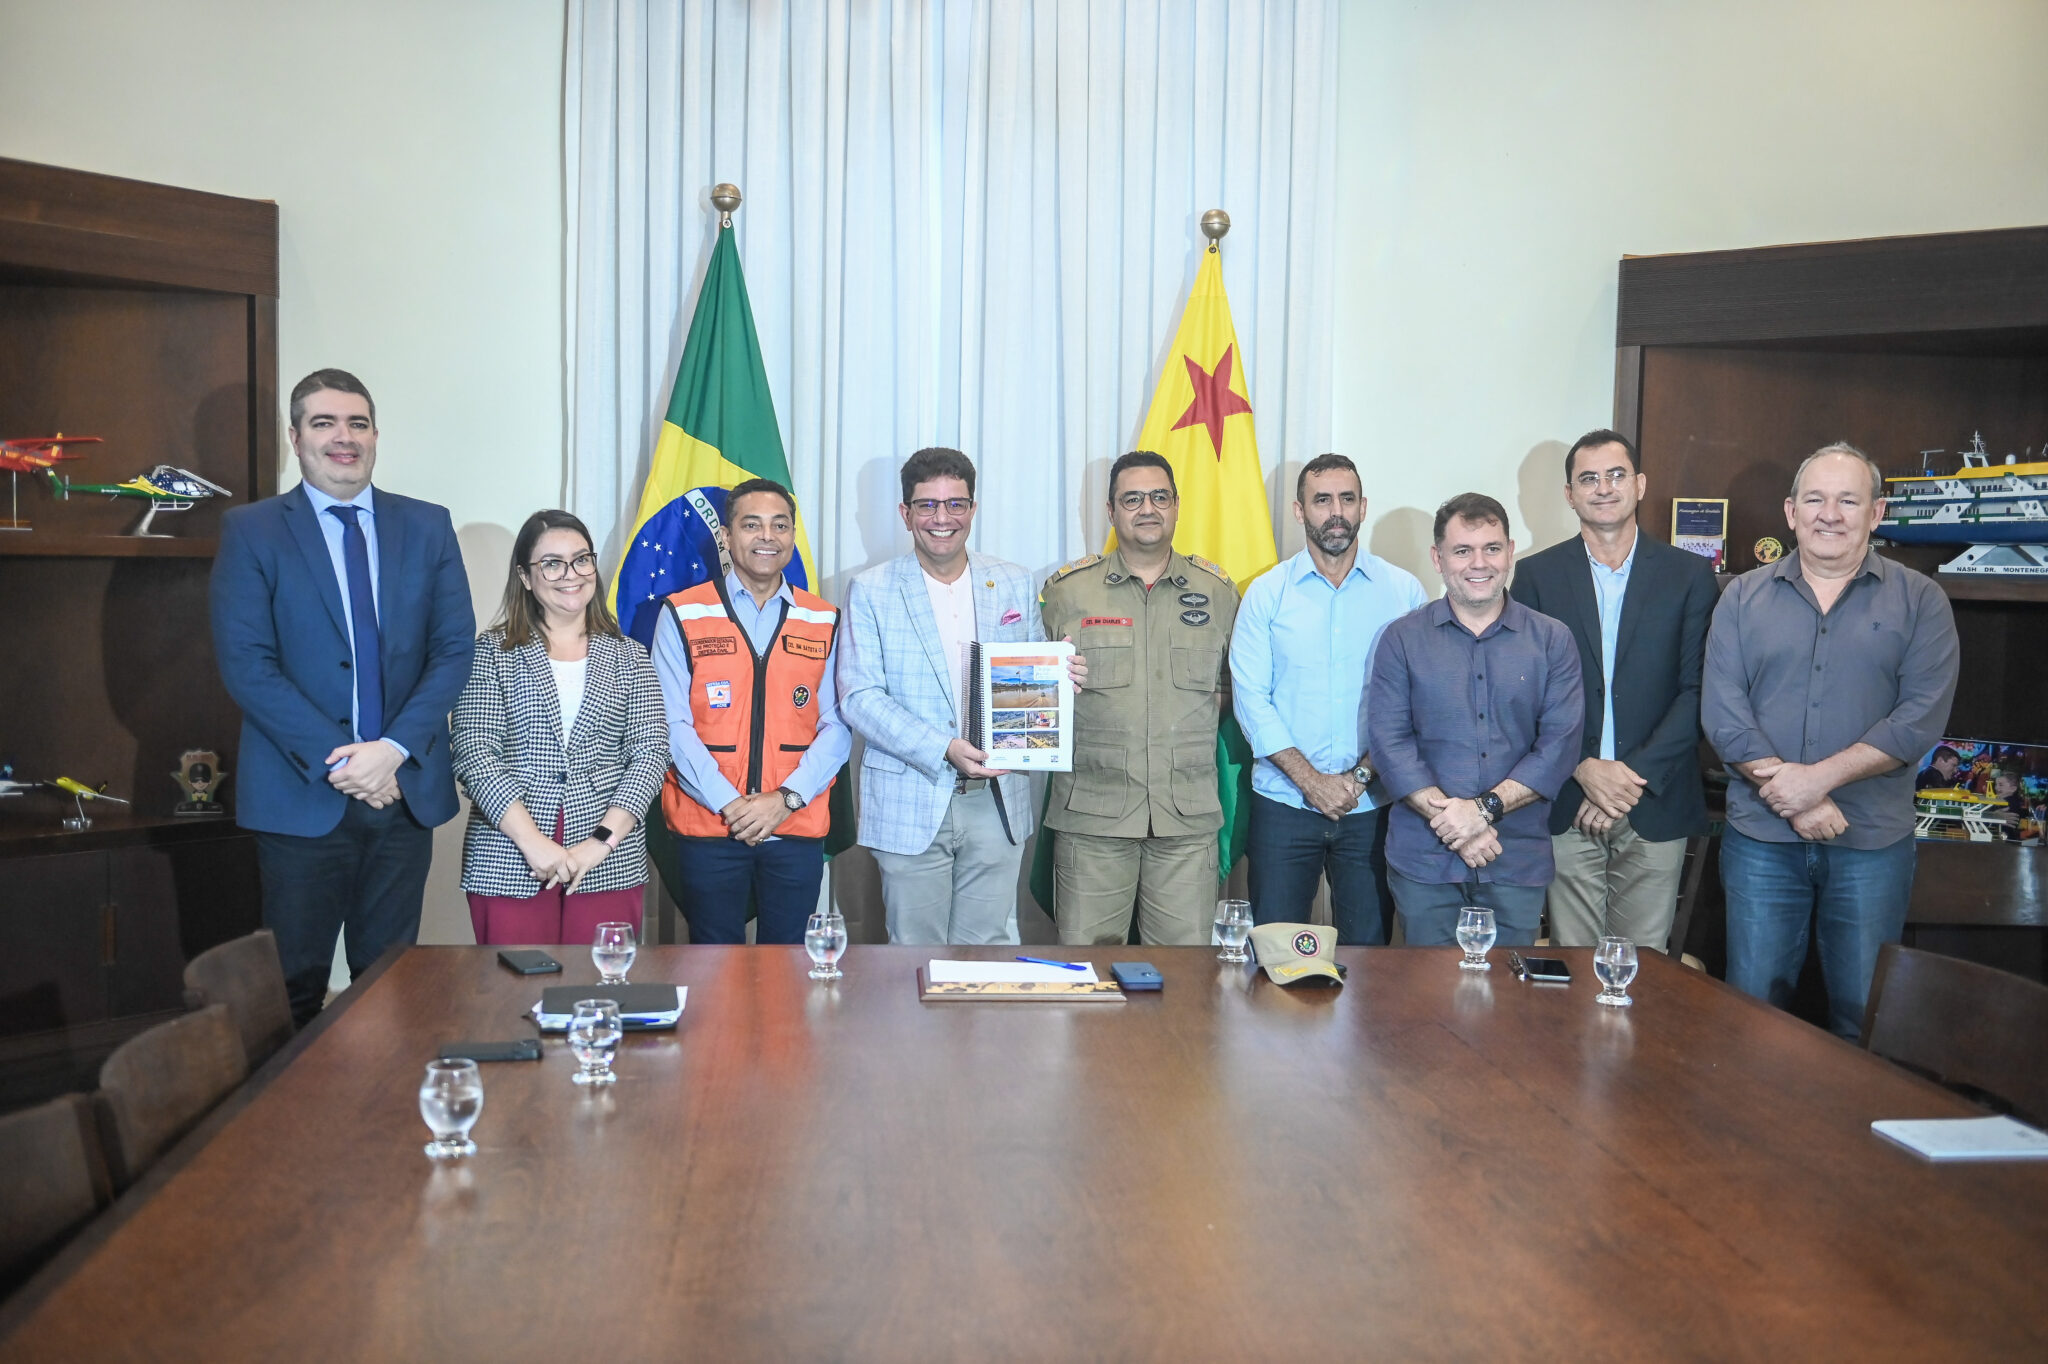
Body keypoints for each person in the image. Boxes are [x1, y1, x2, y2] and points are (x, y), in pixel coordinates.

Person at [209, 369, 474, 1025]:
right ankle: (283, 1129)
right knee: (292, 992)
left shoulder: (427, 525)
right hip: (301, 800)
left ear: (376, 435)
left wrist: (390, 751)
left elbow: (453, 650)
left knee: (391, 986)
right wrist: (347, 761)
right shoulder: (253, 531)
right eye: (324, 423)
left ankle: (382, 1125)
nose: (343, 437)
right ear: (295, 438)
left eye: (357, 423)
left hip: (403, 794)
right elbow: (247, 665)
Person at [1704, 443, 1959, 1040]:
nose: (1830, 514)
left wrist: (1817, 782)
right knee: (1753, 1012)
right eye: (1815, 499)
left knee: (1864, 1013)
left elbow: (1917, 720)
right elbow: (1723, 714)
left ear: (1877, 513)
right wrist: (1798, 796)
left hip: (1871, 842)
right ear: (1791, 512)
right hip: (1762, 839)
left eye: (1849, 500)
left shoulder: (1922, 603)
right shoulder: (1741, 597)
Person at [839, 448, 1086, 944]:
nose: (942, 518)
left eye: (955, 504)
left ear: (972, 509)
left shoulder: (1013, 581)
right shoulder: (871, 589)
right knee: (914, 956)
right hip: (911, 795)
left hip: (996, 798)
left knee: (989, 954)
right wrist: (942, 747)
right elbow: (860, 696)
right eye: (927, 505)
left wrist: (1059, 677)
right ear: (905, 513)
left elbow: (1029, 677)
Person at [1507, 429, 1719, 953]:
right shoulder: (1535, 576)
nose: (1603, 488)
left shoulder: (1690, 575)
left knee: (1642, 974)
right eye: (1589, 478)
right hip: (1568, 798)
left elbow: (1698, 691)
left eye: (1616, 475)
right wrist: (1583, 769)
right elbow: (1526, 695)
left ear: (1640, 484)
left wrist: (1627, 780)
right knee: (1573, 968)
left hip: (1655, 799)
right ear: (1570, 494)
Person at [1038, 451, 1238, 945]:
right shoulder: (1067, 593)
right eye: (1132, 499)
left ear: (1176, 505)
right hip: (1093, 818)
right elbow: (1032, 695)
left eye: (1159, 497)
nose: (1147, 508)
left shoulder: (1218, 593)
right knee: (1089, 978)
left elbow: (1234, 693)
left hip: (1185, 822)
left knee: (1184, 982)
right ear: (1111, 511)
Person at [1367, 493, 1582, 948]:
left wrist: (1480, 812)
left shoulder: (1552, 640)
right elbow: (1391, 746)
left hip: (1515, 858)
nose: (1478, 563)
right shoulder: (1400, 639)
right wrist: (1456, 825)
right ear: (1438, 558)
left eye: (1491, 548)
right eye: (1462, 550)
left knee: (1509, 1009)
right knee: (1427, 1009)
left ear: (1510, 551)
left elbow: (1559, 747)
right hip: (1425, 861)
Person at [1230, 454, 1425, 945]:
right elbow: (1251, 698)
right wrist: (1312, 782)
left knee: (1370, 962)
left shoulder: (1403, 593)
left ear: (1363, 507)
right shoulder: (1265, 594)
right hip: (1283, 803)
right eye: (1322, 500)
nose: (1335, 511)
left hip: (1372, 806)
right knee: (1275, 956)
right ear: (1300, 511)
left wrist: (1358, 778)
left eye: (1347, 498)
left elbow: (1415, 703)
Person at [451, 510, 669, 945]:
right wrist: (533, 842)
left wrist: (600, 842)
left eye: (581, 559)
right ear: (526, 577)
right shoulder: (492, 652)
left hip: (609, 857)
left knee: (600, 994)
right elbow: (474, 751)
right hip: (510, 856)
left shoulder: (630, 656)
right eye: (551, 563)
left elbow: (650, 754)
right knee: (511, 999)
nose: (570, 574)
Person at [650, 477, 850, 944]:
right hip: (710, 825)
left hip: (794, 824)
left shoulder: (824, 618)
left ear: (792, 536)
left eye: (780, 526)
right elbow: (670, 723)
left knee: (788, 973)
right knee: (713, 972)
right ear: (726, 535)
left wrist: (785, 800)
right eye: (752, 524)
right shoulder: (682, 612)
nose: (767, 537)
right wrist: (730, 805)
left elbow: (839, 724)